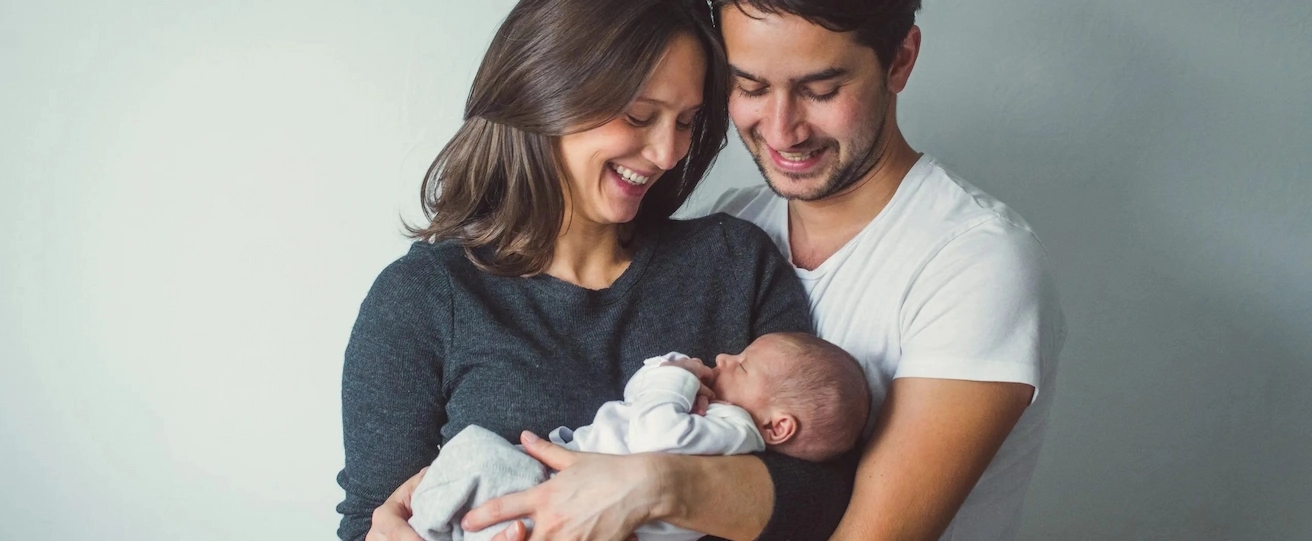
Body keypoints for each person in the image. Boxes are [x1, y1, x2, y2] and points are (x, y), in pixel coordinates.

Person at [371, 1, 1066, 540]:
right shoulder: (744, 222)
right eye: (750, 86)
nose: (782, 127)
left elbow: (841, 511)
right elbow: (374, 514)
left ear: (900, 59)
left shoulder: (972, 260)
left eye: (821, 88)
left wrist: (651, 485)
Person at [336, 1, 859, 541]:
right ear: (546, 92)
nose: (667, 152)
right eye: (639, 115)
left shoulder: (733, 263)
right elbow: (371, 521)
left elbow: (824, 493)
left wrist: (655, 487)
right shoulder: (423, 298)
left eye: (685, 122)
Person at [406, 333, 870, 541]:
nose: (725, 357)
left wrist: (676, 379)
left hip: (547, 491)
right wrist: (673, 371)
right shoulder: (717, 424)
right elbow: (639, 397)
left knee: (475, 451)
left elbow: (653, 429)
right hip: (550, 486)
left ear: (777, 426)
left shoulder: (735, 430)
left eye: (743, 364)